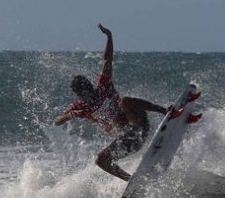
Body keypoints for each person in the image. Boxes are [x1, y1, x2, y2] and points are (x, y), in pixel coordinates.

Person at [55, 24, 168, 181]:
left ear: (90, 86)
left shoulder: (103, 86)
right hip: (129, 140)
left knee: (124, 102)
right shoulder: (80, 107)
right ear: (79, 95)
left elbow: (107, 60)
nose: (89, 95)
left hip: (139, 125)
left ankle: (165, 111)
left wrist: (109, 37)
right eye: (84, 94)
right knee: (100, 160)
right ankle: (131, 180)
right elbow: (57, 122)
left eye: (89, 90)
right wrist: (70, 116)